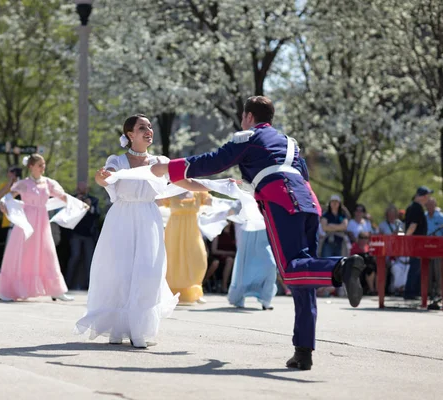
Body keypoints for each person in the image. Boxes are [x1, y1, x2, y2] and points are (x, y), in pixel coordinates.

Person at [150, 96, 366, 370]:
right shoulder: (290, 143)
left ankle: (341, 267)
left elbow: (214, 161)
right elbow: (299, 175)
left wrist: (168, 168)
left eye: (243, 116)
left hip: (281, 201)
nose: (242, 121)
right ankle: (303, 351)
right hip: (309, 204)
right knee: (303, 275)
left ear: (249, 117)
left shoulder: (248, 136)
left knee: (290, 271)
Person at [75, 114, 212, 349]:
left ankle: (139, 328)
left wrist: (216, 185)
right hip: (121, 219)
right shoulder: (117, 161)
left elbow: (183, 181)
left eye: (149, 127)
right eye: (142, 128)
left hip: (148, 219)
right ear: (130, 135)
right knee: (119, 272)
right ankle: (117, 328)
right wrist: (102, 177)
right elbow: (103, 178)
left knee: (147, 273)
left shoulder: (158, 162)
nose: (149, 130)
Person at [0, 154, 74, 302]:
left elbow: (62, 196)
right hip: (26, 223)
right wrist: (3, 203)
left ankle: (56, 290)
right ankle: (6, 291)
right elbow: (8, 197)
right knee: (21, 254)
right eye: (40, 165)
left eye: (43, 165)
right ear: (31, 166)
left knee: (47, 253)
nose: (43, 167)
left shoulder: (48, 183)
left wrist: (77, 204)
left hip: (42, 223)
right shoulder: (24, 184)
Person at [227, 191, 277, 310]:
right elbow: (231, 212)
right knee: (244, 269)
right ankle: (238, 298)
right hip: (248, 236)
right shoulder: (243, 196)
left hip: (263, 238)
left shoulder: (267, 195)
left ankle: (266, 299)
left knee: (271, 265)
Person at [161, 191, 212, 305]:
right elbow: (153, 202)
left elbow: (215, 204)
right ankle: (169, 292)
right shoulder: (170, 193)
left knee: (199, 259)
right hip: (174, 233)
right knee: (173, 260)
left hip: (192, 232)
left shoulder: (199, 194)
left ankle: (196, 291)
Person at [65, 182, 100, 290]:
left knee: (89, 260)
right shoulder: (72, 199)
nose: (81, 190)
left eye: (83, 188)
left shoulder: (93, 200)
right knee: (74, 257)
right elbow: (67, 215)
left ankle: (90, 285)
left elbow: (97, 215)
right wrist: (77, 203)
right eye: (79, 188)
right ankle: (67, 283)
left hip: (88, 235)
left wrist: (90, 207)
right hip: (76, 234)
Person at [403, 186, 432, 300]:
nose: (427, 198)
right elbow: (412, 226)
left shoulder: (413, 207)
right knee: (415, 267)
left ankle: (413, 291)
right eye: (426, 196)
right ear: (420, 196)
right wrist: (406, 239)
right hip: (416, 243)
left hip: (416, 242)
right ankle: (410, 292)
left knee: (416, 267)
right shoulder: (416, 208)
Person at [0, 166, 22, 243]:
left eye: (12, 172)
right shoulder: (4, 185)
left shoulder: (22, 185)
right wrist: (9, 184)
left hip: (21, 220)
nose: (9, 174)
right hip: (8, 221)